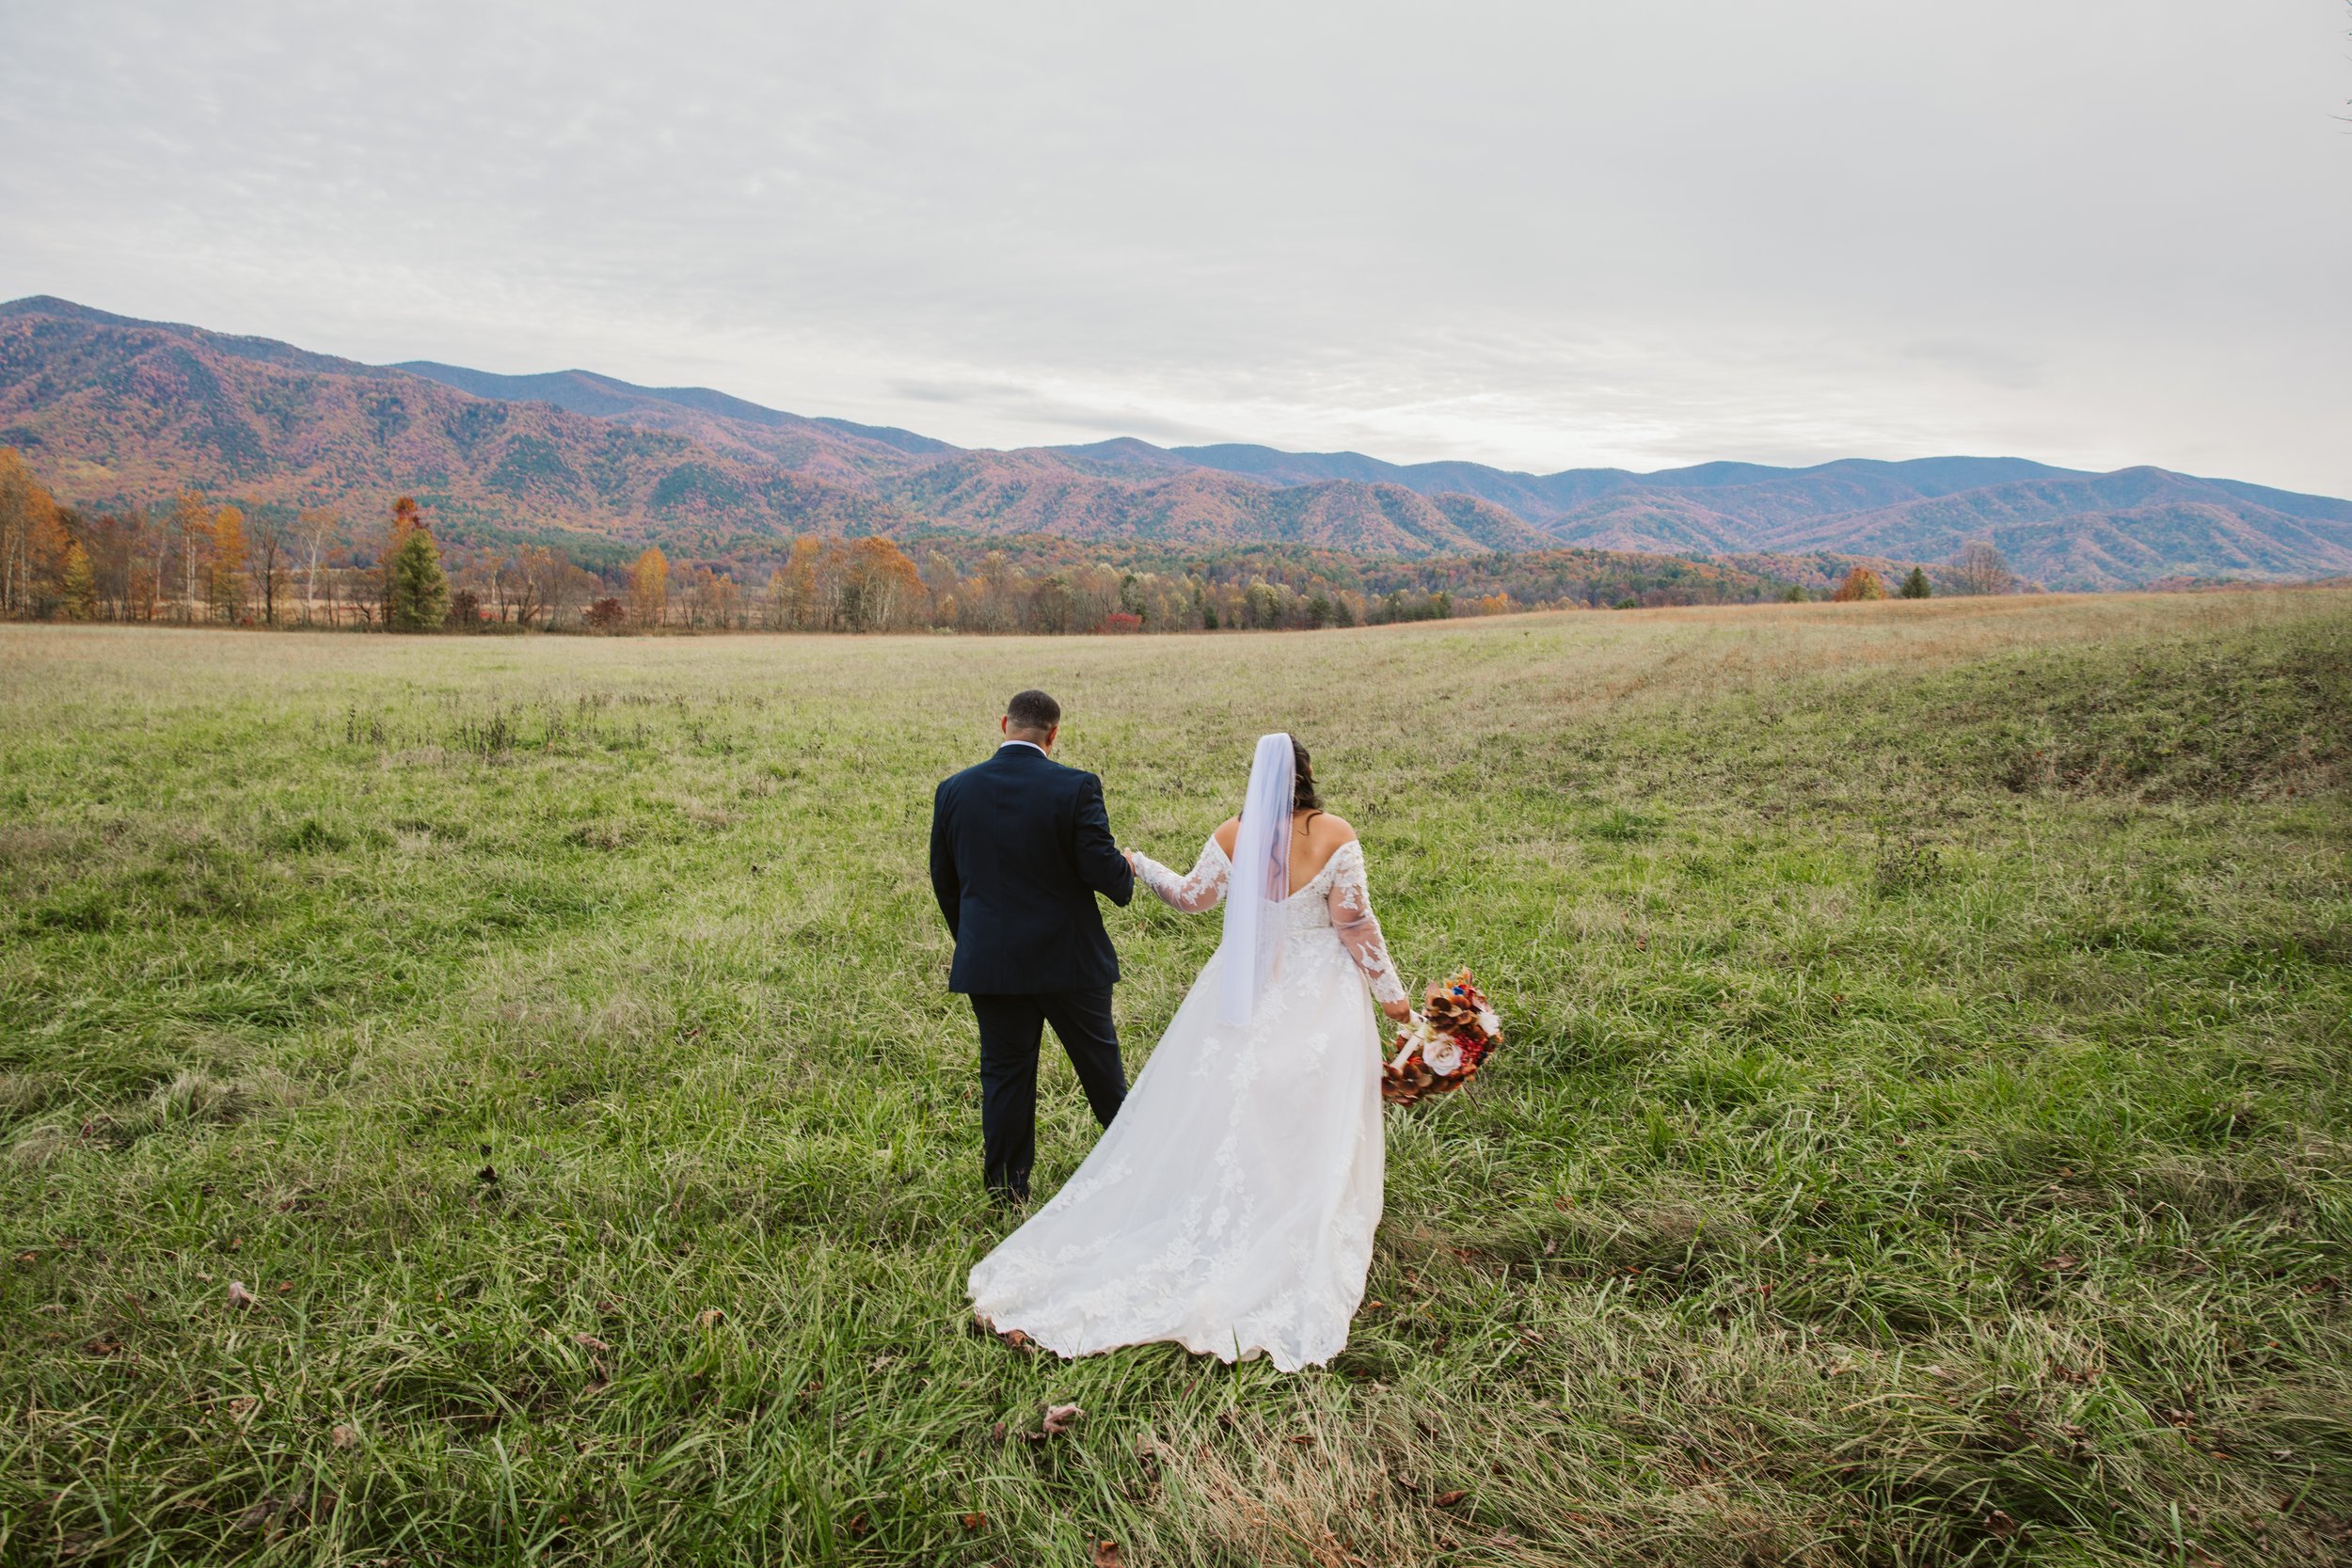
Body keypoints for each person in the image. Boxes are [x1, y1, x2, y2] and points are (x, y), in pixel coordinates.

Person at [968, 733, 1410, 1371]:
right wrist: (1394, 999)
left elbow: (1191, 897)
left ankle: (1251, 1202)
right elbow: (1354, 923)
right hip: (1321, 990)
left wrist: (1142, 864)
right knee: (1312, 1099)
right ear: (1308, 774)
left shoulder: (1234, 833)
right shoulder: (1334, 832)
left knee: (1242, 1094)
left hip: (1244, 988)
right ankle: (1297, 1205)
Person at [929, 689, 1136, 1206]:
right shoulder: (1076, 787)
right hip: (1071, 963)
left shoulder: (954, 790)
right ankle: (1139, 1170)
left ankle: (1006, 1193)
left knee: (1004, 1077)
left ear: (1005, 724)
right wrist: (1126, 867)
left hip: (991, 964)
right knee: (1102, 1072)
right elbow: (1103, 874)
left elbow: (945, 881)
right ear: (1054, 734)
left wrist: (977, 942)